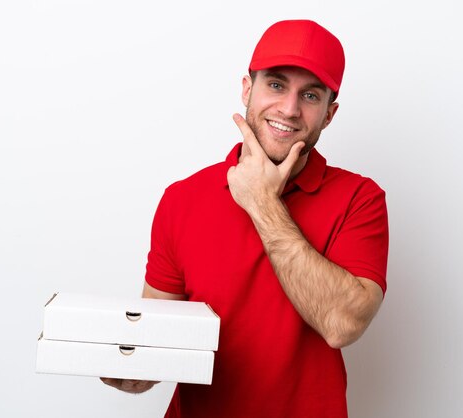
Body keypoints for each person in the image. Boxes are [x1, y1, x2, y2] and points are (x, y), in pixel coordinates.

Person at [101, 19, 389, 418]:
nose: (289, 109)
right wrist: (133, 371)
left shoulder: (361, 199)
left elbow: (342, 324)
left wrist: (262, 203)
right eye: (275, 84)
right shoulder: (182, 199)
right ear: (246, 89)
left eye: (309, 94)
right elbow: (156, 341)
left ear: (329, 114)